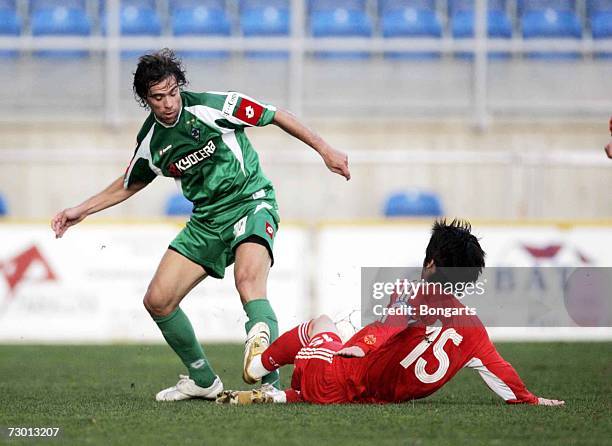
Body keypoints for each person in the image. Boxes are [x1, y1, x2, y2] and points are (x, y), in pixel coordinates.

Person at [50, 49, 351, 401]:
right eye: (158, 97)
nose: (168, 103)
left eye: (173, 92)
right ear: (145, 100)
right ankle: (203, 380)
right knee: (158, 300)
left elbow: (274, 115)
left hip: (250, 202)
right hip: (206, 221)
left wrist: (325, 149)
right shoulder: (152, 141)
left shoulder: (212, 107)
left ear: (180, 87)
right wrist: (81, 210)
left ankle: (268, 378)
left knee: (248, 282)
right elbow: (131, 181)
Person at [218, 219, 565, 407]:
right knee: (344, 378)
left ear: (430, 262)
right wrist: (532, 399)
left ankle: (256, 368)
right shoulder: (474, 330)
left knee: (322, 324)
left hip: (328, 375)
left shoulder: (412, 290)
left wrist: (364, 345)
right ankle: (277, 397)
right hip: (357, 398)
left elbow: (392, 324)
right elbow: (502, 375)